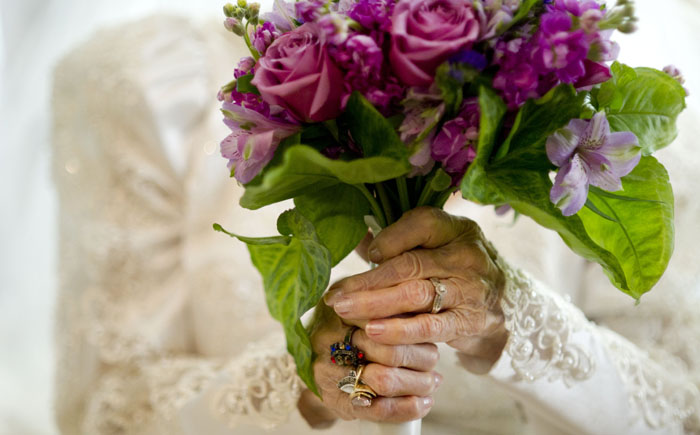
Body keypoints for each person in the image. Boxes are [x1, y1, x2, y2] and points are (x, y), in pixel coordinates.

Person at [52, 13, 700, 435]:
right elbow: (108, 406)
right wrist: (309, 382)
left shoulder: (576, 79)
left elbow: (680, 407)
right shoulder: (153, 85)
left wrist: (513, 322)